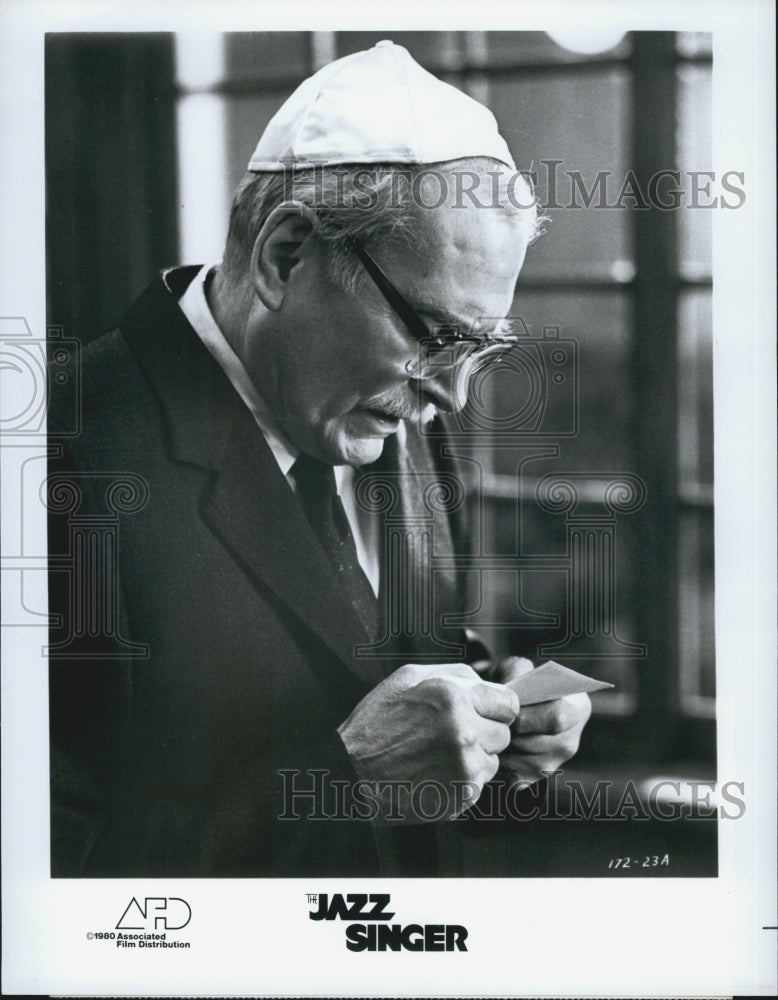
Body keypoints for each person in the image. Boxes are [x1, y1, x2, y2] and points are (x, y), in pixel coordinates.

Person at [47, 40, 591, 877]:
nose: (453, 396)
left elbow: (360, 654)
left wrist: (493, 727)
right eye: (434, 335)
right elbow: (40, 894)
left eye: (482, 348)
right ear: (285, 255)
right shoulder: (56, 461)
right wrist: (350, 779)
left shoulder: (399, 423)